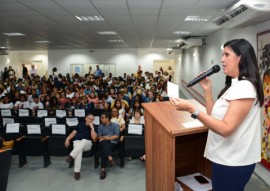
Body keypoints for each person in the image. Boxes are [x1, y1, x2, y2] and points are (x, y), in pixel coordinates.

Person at [170, 39, 264, 191]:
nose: (222, 59)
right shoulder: (235, 85)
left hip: (233, 161)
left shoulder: (245, 87)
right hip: (224, 157)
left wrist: (191, 109)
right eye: (222, 54)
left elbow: (226, 129)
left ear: (241, 58)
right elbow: (214, 118)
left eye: (227, 54)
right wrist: (208, 92)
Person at [65, 113, 97, 180]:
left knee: (84, 140)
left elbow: (94, 139)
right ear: (86, 118)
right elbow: (73, 133)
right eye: (89, 118)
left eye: (92, 119)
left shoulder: (94, 126)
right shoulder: (80, 125)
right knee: (79, 151)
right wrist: (67, 139)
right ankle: (77, 172)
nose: (90, 120)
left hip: (87, 144)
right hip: (77, 143)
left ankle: (71, 156)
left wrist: (92, 128)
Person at [97, 112, 120, 180]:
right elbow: (99, 137)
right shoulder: (100, 126)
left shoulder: (115, 125)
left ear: (107, 118)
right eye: (101, 117)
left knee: (104, 148)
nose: (101, 119)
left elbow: (116, 136)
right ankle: (110, 157)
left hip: (113, 143)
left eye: (103, 117)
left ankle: (103, 170)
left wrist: (106, 138)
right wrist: (105, 138)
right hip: (102, 143)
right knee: (104, 143)